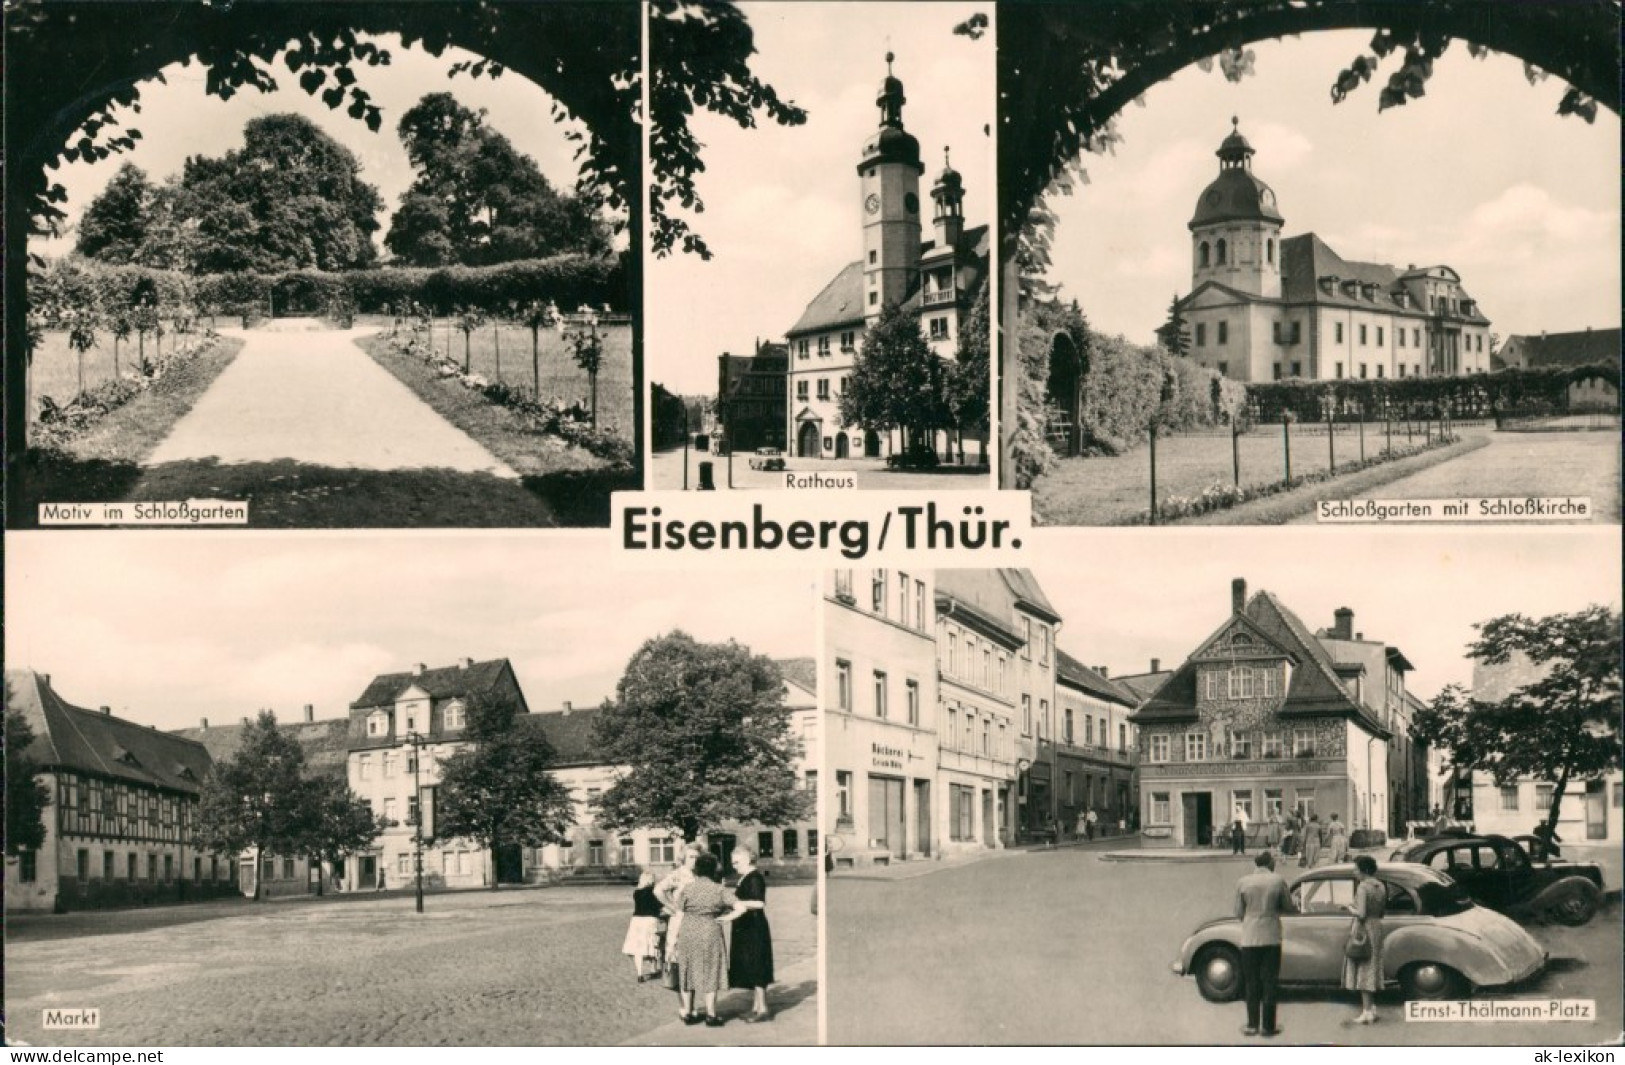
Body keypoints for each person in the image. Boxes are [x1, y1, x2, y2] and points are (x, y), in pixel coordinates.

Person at [673, 852, 748, 1027]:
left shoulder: (688, 888)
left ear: (697, 869)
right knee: (711, 970)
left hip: (689, 930)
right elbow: (741, 907)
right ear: (714, 870)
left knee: (687, 969)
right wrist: (727, 918)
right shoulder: (719, 889)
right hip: (710, 930)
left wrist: (672, 942)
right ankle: (711, 1015)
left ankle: (688, 1013)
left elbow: (679, 912)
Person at [1234, 850, 1295, 1037]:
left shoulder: (1243, 882)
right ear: (1269, 864)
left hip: (1250, 936)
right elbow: (1288, 907)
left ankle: (1252, 1025)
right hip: (1271, 936)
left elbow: (1238, 912)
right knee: (1269, 981)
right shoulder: (1278, 880)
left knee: (1251, 982)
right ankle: (1268, 1027)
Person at [728, 846, 775, 1023]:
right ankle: (756, 1007)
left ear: (747, 859)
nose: (734, 866)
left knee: (757, 965)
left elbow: (759, 903)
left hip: (753, 927)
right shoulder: (746, 877)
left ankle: (763, 1009)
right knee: (752, 964)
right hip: (746, 926)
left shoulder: (754, 878)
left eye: (736, 862)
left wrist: (735, 903)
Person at [655, 843, 706, 1008]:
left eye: (697, 857)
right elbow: (658, 890)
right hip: (679, 926)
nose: (694, 860)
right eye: (691, 857)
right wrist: (671, 907)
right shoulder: (676, 875)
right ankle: (685, 1008)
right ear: (683, 858)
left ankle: (690, 1007)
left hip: (697, 924)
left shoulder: (701, 876)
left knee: (693, 967)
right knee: (678, 966)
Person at [1342, 855, 1387, 1025]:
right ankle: (1372, 1007)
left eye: (1356, 869)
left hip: (1363, 929)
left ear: (1364, 870)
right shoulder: (1380, 885)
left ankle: (1367, 1011)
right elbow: (1381, 912)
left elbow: (1361, 914)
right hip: (1376, 926)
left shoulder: (1362, 887)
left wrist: (1349, 908)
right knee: (1372, 965)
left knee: (1362, 967)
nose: (1354, 872)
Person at [623, 872, 664, 982]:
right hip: (650, 920)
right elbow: (659, 906)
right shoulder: (654, 892)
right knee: (653, 944)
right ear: (651, 880)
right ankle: (653, 969)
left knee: (638, 947)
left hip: (636, 921)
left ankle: (640, 974)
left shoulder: (636, 893)